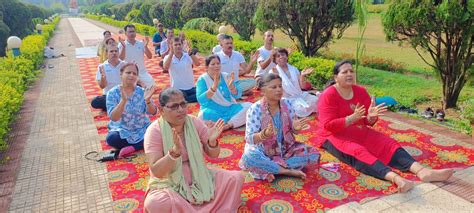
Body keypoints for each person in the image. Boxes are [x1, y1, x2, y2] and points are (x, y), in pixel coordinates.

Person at [316, 60, 454, 193]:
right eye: (344, 72)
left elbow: (366, 121)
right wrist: (351, 118)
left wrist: (371, 117)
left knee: (387, 143)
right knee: (359, 152)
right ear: (336, 77)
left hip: (359, 130)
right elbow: (328, 125)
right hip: (334, 135)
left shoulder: (360, 91)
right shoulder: (328, 95)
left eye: (351, 71)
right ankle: (397, 179)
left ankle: (422, 171)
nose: (349, 74)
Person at [143, 88, 244, 212]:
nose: (180, 109)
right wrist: (173, 154)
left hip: (199, 175)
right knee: (155, 203)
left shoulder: (194, 122)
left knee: (235, 178)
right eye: (174, 106)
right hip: (170, 181)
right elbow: (157, 171)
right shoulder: (154, 131)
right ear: (161, 110)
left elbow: (214, 154)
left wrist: (212, 142)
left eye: (183, 104)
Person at [239, 73, 320, 182]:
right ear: (263, 91)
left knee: (314, 154)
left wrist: (296, 129)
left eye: (280, 86)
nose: (278, 90)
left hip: (286, 149)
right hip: (262, 151)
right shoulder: (255, 109)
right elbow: (249, 139)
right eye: (273, 87)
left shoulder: (287, 103)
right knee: (249, 157)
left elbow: (293, 131)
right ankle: (287, 171)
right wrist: (264, 134)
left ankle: (268, 169)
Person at [106, 63, 157, 158]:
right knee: (111, 139)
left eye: (134, 73)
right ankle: (141, 144)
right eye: (128, 72)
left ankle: (134, 147)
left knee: (159, 131)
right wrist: (123, 101)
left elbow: (153, 112)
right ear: (121, 74)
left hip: (142, 128)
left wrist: (148, 101)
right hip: (123, 130)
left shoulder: (142, 92)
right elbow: (114, 117)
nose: (131, 75)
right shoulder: (112, 93)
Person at [196, 55, 251, 130]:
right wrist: (213, 88)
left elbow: (237, 95)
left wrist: (233, 89)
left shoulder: (226, 76)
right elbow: (201, 100)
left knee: (250, 107)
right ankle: (232, 121)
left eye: (218, 63)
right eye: (213, 64)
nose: (216, 66)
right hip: (212, 110)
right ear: (207, 67)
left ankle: (228, 124)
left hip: (230, 108)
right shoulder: (203, 79)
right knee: (201, 116)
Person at [271, 48, 319, 117]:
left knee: (316, 100)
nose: (281, 57)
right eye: (278, 56)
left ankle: (305, 109)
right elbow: (274, 90)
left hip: (300, 95)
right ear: (275, 60)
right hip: (287, 99)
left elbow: (302, 87)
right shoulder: (273, 71)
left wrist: (302, 75)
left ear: (287, 56)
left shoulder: (294, 69)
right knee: (300, 109)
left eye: (283, 55)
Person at [163, 37, 200, 103]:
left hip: (191, 87)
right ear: (171, 46)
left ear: (182, 45)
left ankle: (182, 100)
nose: (178, 46)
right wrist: (171, 53)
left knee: (202, 93)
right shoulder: (168, 57)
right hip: (178, 89)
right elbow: (165, 67)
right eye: (175, 45)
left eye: (179, 44)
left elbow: (197, 64)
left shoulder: (188, 55)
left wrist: (191, 54)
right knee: (178, 95)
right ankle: (182, 99)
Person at [91, 44, 124, 111]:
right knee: (95, 102)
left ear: (118, 53)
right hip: (109, 95)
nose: (114, 53)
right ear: (107, 54)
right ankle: (117, 105)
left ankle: (114, 105)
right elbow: (102, 86)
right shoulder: (102, 67)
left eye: (116, 51)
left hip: (123, 94)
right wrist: (103, 77)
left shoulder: (125, 65)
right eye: (111, 51)